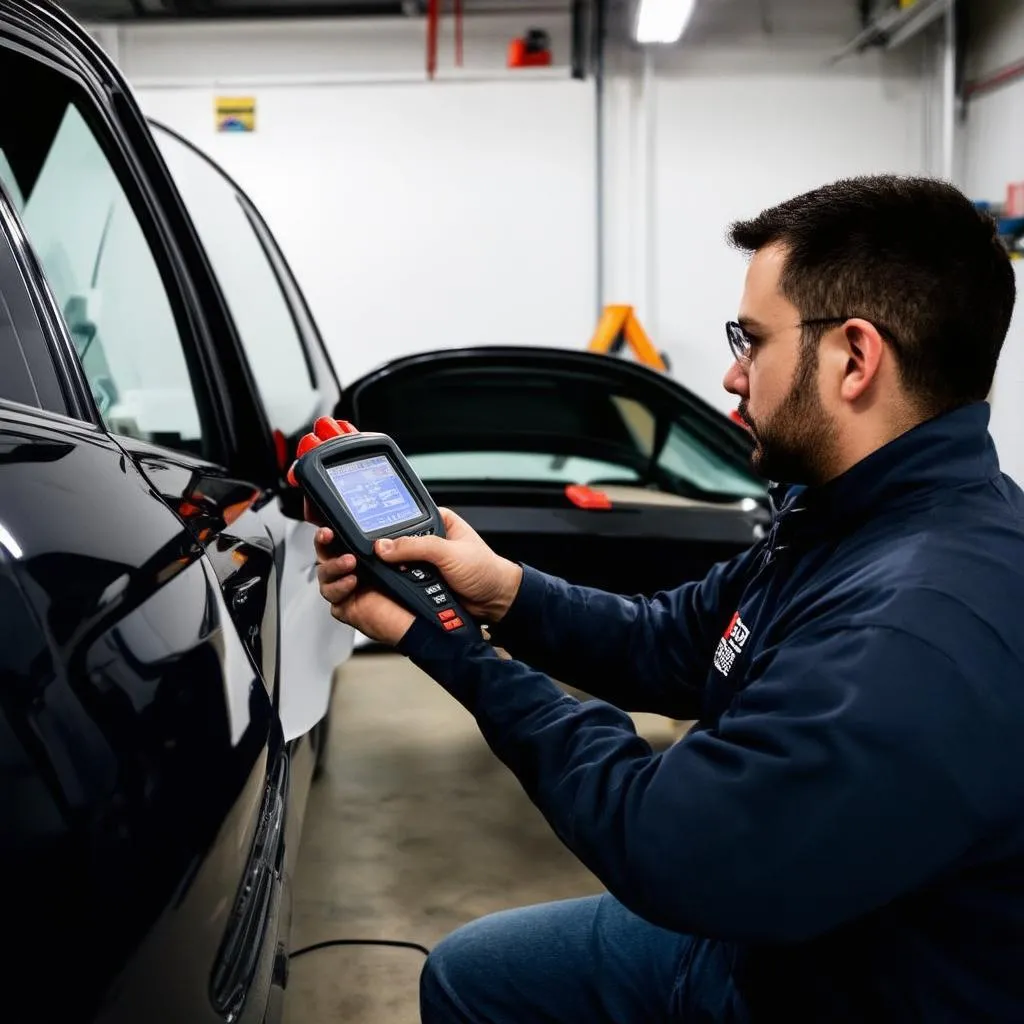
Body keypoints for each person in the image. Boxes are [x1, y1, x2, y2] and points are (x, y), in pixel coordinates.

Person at [308, 175, 1024, 1022]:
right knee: (472, 974)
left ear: (854, 358)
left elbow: (670, 844)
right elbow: (676, 640)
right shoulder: (848, 517)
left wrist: (457, 654)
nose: (730, 373)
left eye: (750, 340)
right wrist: (502, 591)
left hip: (839, 986)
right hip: (781, 945)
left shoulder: (914, 629)